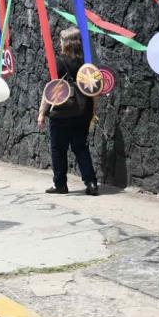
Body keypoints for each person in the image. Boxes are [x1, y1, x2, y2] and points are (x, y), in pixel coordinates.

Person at [37, 27, 99, 196]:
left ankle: (60, 184)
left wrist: (42, 113)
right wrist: (92, 111)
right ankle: (91, 183)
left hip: (61, 113)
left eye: (61, 40)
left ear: (66, 43)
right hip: (82, 111)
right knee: (81, 147)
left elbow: (49, 90)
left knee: (59, 148)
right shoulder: (87, 64)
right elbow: (94, 91)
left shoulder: (58, 62)